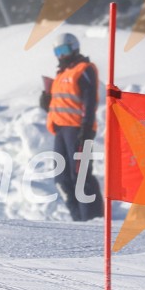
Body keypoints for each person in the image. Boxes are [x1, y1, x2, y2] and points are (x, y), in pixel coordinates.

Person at [40, 33, 104, 222]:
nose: (61, 55)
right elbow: (62, 103)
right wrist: (46, 103)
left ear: (74, 47)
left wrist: (87, 129)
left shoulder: (84, 69)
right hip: (60, 131)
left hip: (77, 130)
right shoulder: (60, 75)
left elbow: (90, 100)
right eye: (57, 52)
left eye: (64, 50)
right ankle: (78, 221)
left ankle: (93, 220)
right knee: (62, 179)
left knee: (81, 176)